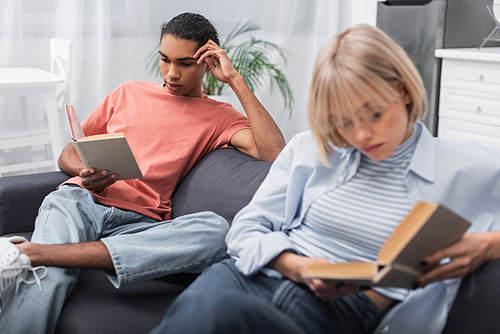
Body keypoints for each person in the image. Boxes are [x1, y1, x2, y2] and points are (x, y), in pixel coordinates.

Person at [149, 24, 500, 334]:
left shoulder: (465, 165)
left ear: (405, 91)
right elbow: (244, 229)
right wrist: (296, 265)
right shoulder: (311, 149)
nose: (361, 135)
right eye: (342, 122)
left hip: (340, 310)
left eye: (373, 114)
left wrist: (487, 245)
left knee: (214, 314)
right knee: (207, 310)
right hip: (244, 277)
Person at [0, 12, 285, 333]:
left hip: (142, 222)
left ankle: (42, 252)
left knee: (218, 231)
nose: (171, 72)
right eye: (165, 59)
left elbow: (273, 152)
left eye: (185, 63)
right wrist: (85, 169)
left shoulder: (220, 116)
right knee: (51, 273)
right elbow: (68, 152)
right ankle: (48, 257)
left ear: (207, 62)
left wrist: (235, 80)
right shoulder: (128, 93)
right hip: (80, 200)